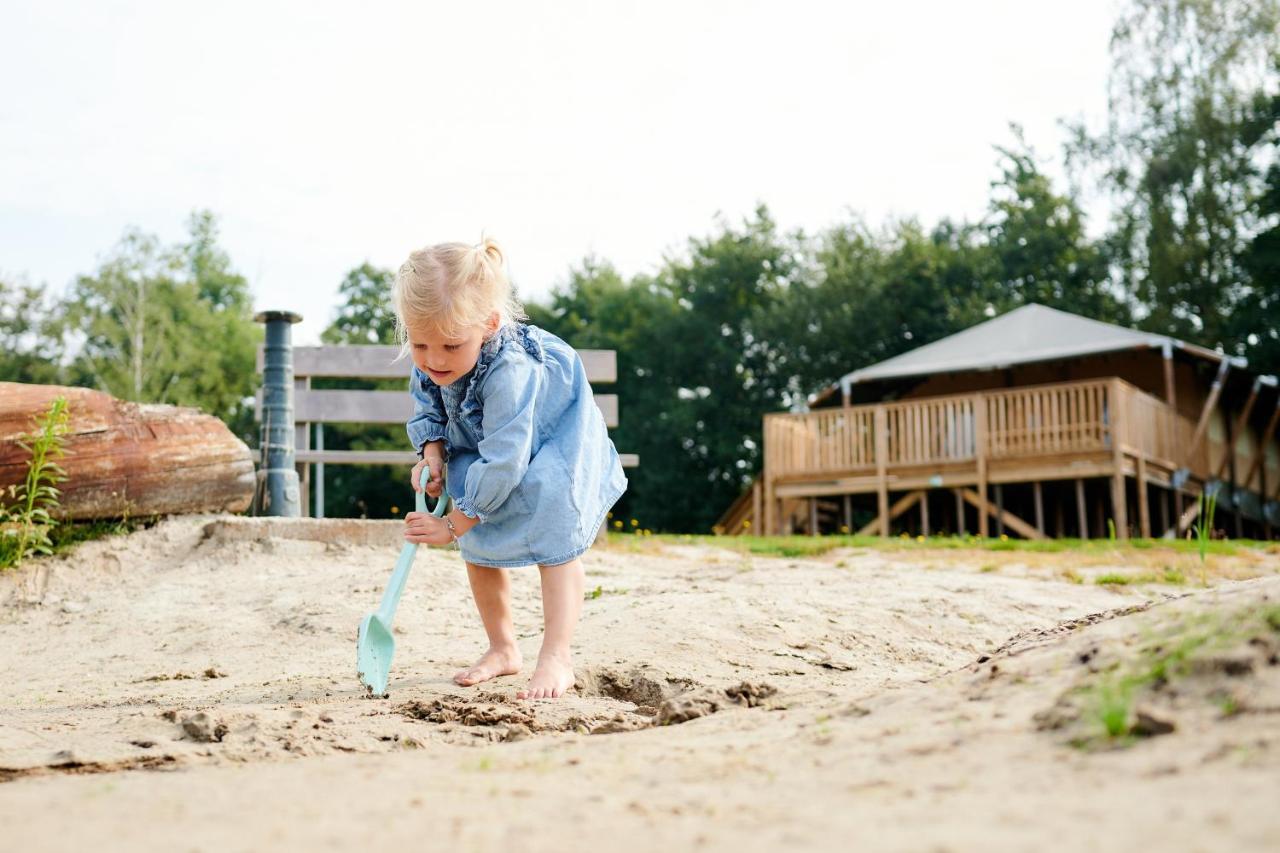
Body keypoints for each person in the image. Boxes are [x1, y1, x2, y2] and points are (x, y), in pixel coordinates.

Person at [397, 238, 626, 700]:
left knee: (554, 533)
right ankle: (503, 649)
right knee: (478, 542)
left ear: (489, 325)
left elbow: (505, 460)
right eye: (419, 343)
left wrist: (451, 524)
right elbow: (429, 405)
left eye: (450, 345)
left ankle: (557, 654)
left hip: (552, 441)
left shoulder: (511, 370)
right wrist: (434, 454)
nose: (434, 359)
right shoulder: (435, 351)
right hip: (492, 446)